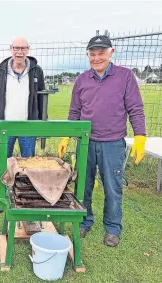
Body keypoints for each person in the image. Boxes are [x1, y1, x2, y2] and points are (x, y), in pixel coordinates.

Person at [58, 35, 146, 247]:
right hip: (86, 142)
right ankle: (85, 221)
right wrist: (67, 136)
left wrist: (140, 136)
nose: (97, 58)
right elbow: (75, 111)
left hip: (113, 143)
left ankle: (113, 228)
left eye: (101, 53)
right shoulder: (81, 80)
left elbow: (135, 108)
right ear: (88, 55)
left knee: (113, 188)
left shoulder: (125, 76)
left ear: (111, 52)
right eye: (93, 54)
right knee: (83, 185)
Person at [0, 36, 45, 158]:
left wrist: (40, 125)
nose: (19, 52)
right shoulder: (0, 72)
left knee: (28, 165)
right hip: (5, 125)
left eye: (23, 48)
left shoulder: (37, 71)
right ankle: (4, 178)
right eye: (16, 48)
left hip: (28, 125)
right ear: (11, 49)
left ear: (28, 49)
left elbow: (41, 100)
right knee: (4, 164)